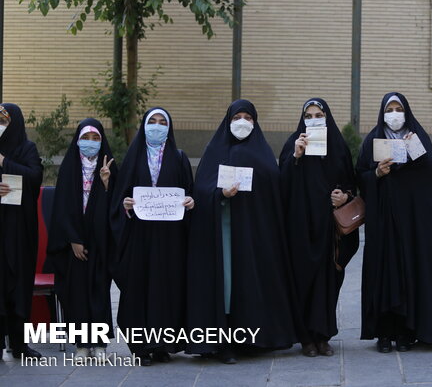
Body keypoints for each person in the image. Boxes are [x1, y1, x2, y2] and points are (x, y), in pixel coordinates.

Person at [186, 99, 300, 364]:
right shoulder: (215, 150)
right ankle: (223, 342)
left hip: (255, 233)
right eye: (238, 116)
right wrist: (220, 193)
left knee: (250, 283)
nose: (243, 122)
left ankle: (252, 339)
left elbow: (277, 189)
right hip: (223, 232)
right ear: (228, 120)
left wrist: (294, 160)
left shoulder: (262, 154)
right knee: (225, 286)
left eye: (249, 117)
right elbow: (201, 189)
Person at [356, 92, 432, 353]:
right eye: (389, 109)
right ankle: (384, 333)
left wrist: (415, 149)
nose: (394, 114)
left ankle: (408, 331)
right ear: (382, 112)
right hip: (383, 222)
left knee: (411, 270)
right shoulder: (373, 139)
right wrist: (376, 173)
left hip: (413, 222)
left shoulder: (418, 136)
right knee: (385, 272)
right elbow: (360, 176)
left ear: (406, 111)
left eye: (398, 108)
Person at [110, 108, 194, 366]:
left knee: (167, 289)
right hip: (140, 238)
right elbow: (119, 198)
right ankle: (141, 347)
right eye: (152, 122)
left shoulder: (179, 158)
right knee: (140, 288)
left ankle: (162, 345)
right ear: (144, 126)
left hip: (170, 240)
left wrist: (191, 202)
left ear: (169, 128)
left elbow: (189, 194)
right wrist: (125, 204)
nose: (157, 127)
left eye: (162, 123)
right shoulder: (133, 158)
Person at [279, 98, 359, 357]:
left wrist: (344, 196)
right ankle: (305, 338)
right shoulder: (293, 145)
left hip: (329, 229)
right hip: (301, 227)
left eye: (319, 114)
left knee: (329, 280)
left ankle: (323, 335)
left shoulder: (338, 146)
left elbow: (350, 183)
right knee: (304, 279)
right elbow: (282, 185)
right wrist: (296, 157)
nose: (314, 119)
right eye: (309, 115)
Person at [46, 119, 116, 362]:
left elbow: (115, 206)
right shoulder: (69, 167)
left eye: (96, 139)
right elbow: (62, 207)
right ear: (77, 139)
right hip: (73, 243)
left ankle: (99, 344)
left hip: (100, 241)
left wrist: (106, 183)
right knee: (76, 294)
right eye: (86, 138)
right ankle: (81, 345)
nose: (90, 143)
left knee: (99, 291)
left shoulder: (109, 167)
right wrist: (73, 239)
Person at [0, 103, 44, 359]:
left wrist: (5, 161)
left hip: (20, 229)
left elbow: (35, 176)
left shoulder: (27, 148)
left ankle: (19, 344)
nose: (2, 125)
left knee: (19, 283)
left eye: (6, 120)